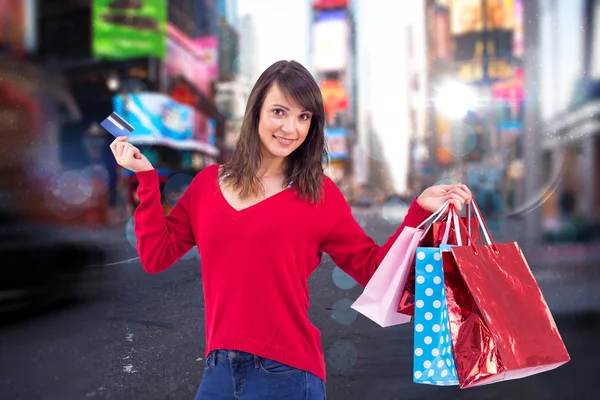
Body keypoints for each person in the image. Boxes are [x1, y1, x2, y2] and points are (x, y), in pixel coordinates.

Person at [110, 60, 472, 400]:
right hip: (218, 370)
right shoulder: (206, 185)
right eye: (279, 112)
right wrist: (145, 179)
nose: (290, 128)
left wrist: (417, 212)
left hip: (288, 374)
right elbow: (156, 257)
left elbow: (373, 268)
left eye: (304, 117)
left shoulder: (319, 195)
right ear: (256, 113)